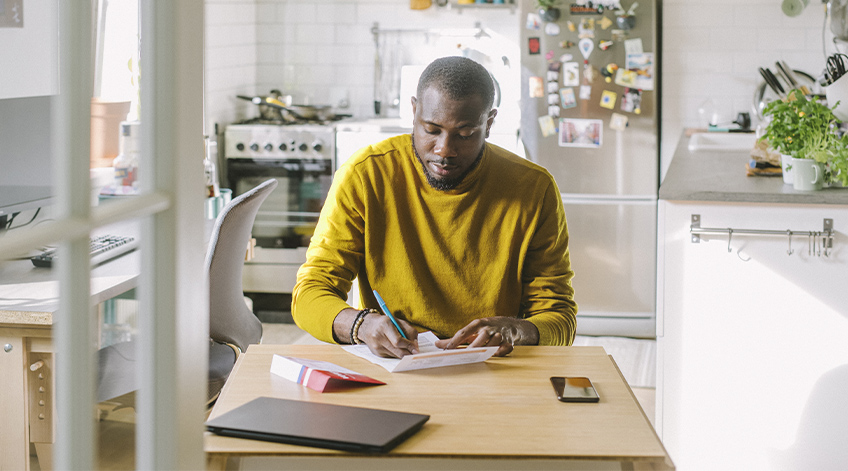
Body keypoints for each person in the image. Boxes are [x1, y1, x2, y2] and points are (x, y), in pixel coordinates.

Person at [292, 56, 577, 359]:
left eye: (465, 134)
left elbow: (560, 317)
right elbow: (309, 293)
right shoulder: (366, 176)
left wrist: (517, 330)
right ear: (414, 111)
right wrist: (360, 325)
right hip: (397, 364)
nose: (445, 150)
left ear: (489, 124)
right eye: (431, 130)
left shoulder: (533, 188)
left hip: (495, 367)